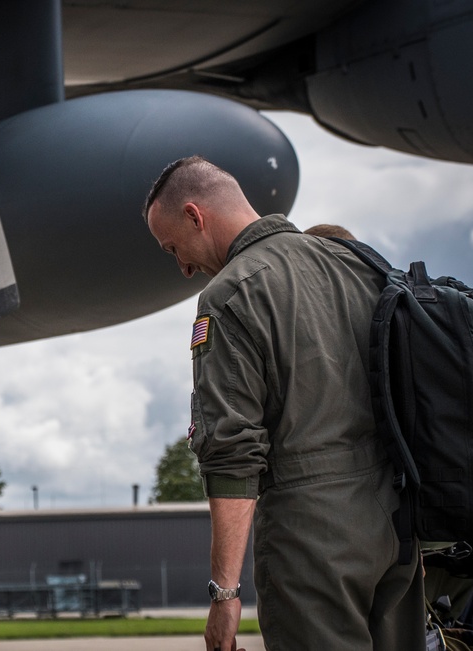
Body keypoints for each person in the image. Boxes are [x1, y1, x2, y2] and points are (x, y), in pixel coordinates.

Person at [142, 156, 425, 651]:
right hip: (398, 529)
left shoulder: (228, 296)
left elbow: (231, 455)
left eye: (172, 249)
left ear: (195, 215)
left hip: (312, 541)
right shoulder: (358, 262)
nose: (183, 267)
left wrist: (225, 594)